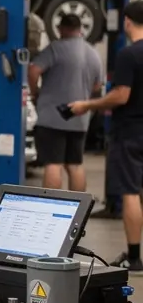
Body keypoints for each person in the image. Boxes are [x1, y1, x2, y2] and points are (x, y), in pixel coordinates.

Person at [69, 0, 143, 271]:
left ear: (126, 22)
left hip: (131, 134)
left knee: (131, 193)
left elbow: (121, 95)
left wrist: (87, 105)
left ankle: (134, 257)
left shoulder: (129, 54)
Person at [28, 12, 104, 192]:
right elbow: (98, 85)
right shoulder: (93, 53)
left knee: (53, 164)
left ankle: (52, 207)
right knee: (75, 164)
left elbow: (33, 70)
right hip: (79, 119)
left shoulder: (55, 48)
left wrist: (35, 93)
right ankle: (77, 209)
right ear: (80, 30)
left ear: (61, 28)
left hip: (52, 117)